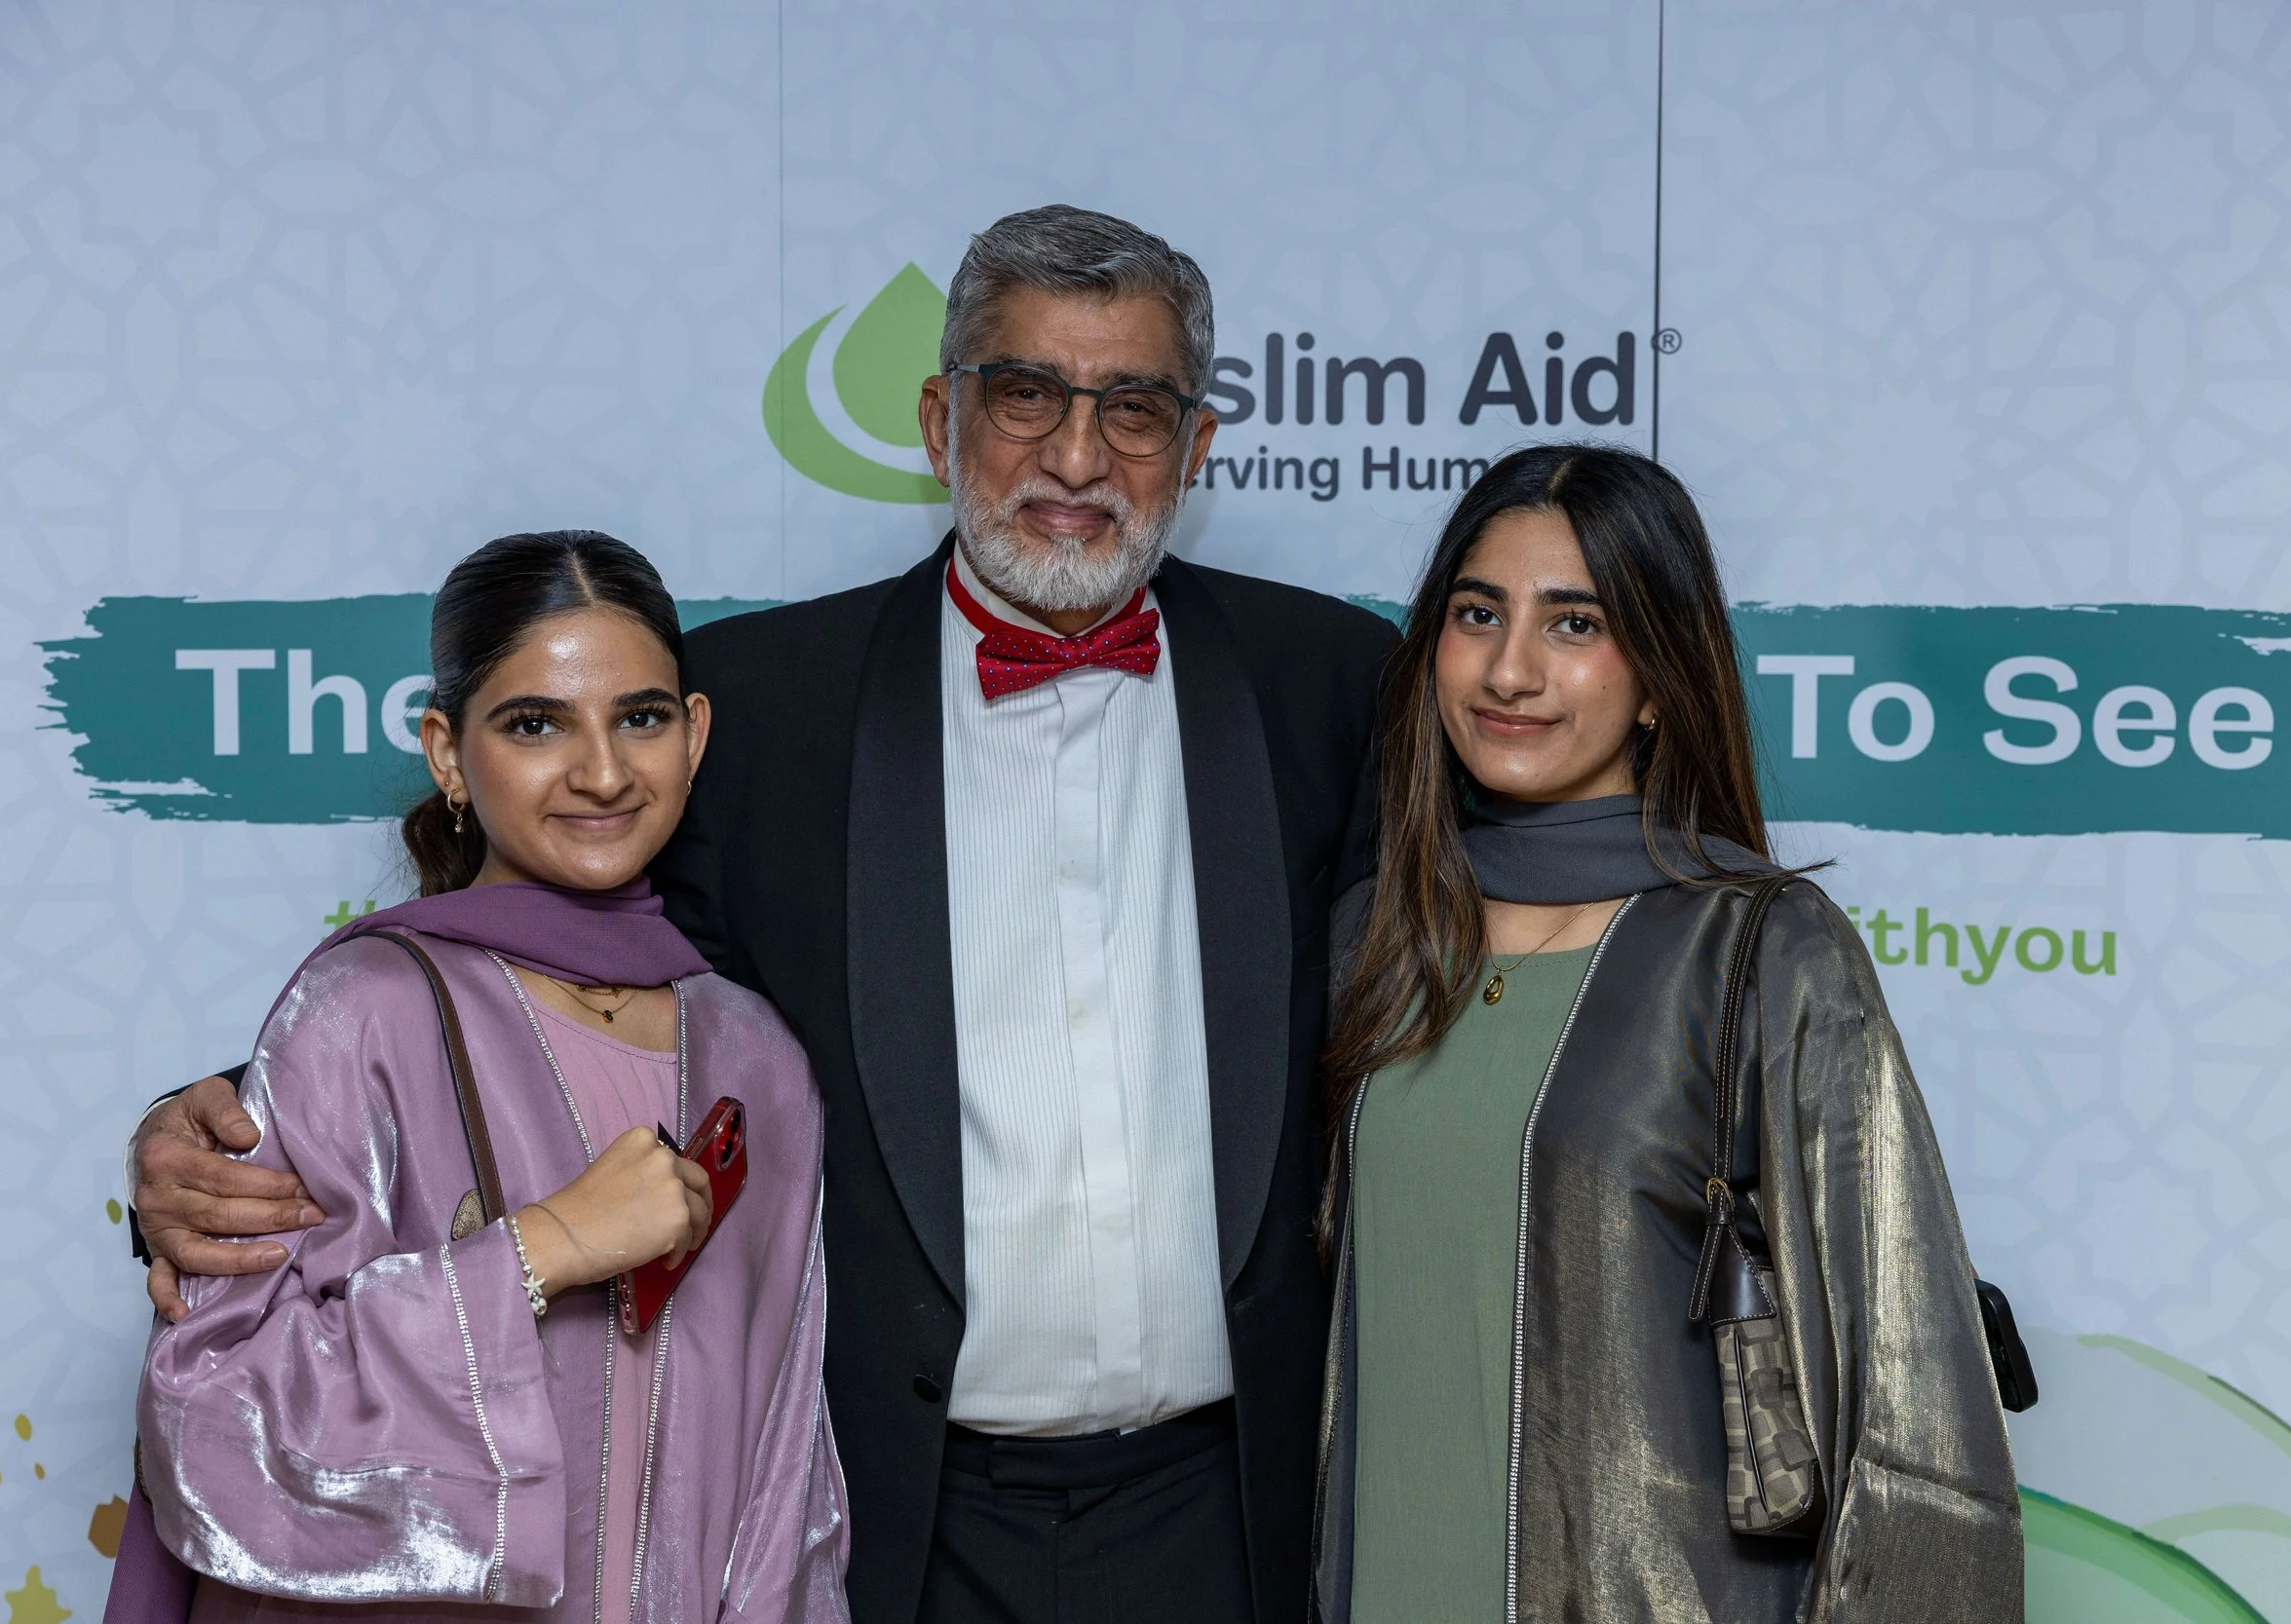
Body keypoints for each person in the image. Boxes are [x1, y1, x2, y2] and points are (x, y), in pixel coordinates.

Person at [127, 207, 1397, 1624]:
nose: (1077, 455)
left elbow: (1463, 976)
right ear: (937, 417)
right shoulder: (764, 705)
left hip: (1223, 1508)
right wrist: (234, 1119)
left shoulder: (1332, 683)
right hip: (887, 1512)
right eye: (1026, 393)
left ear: (1201, 443)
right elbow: (548, 974)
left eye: (1134, 407)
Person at [1311, 446, 2022, 1622]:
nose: (1510, 668)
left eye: (1574, 622)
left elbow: (1910, 1403)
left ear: (1656, 676)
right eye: (1476, 612)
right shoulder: (1380, 934)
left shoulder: (1762, 949)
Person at [115, 533, 847, 1624]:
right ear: (449, 753)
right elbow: (217, 1413)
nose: (601, 770)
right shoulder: (363, 1008)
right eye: (535, 722)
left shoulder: (754, 1055)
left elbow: (786, 1469)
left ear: (692, 738)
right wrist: (546, 1247)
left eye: (639, 716)